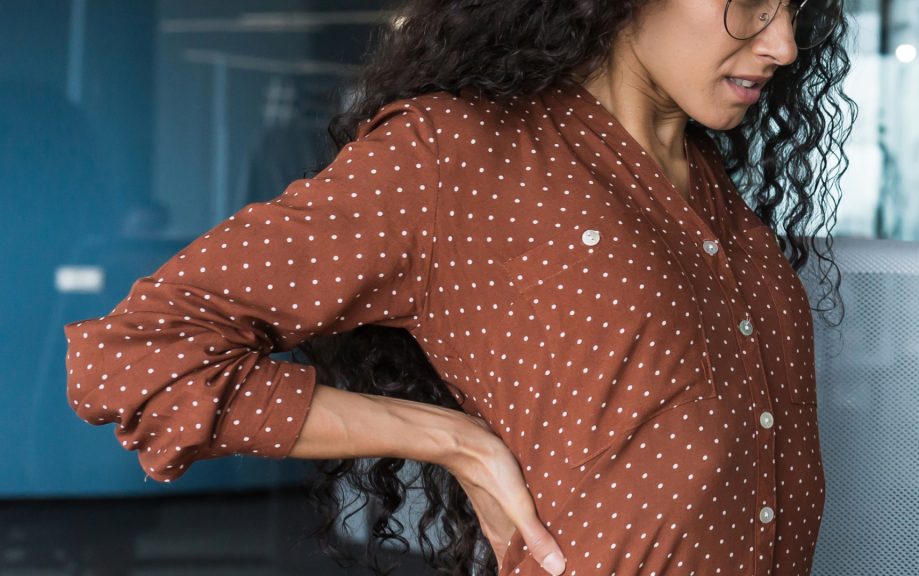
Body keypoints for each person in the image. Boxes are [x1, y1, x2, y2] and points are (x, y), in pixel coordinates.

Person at [63, 0, 853, 574]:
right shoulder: (458, 159)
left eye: (798, 8)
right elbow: (132, 359)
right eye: (748, 3)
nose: (783, 41)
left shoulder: (715, 186)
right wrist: (453, 442)